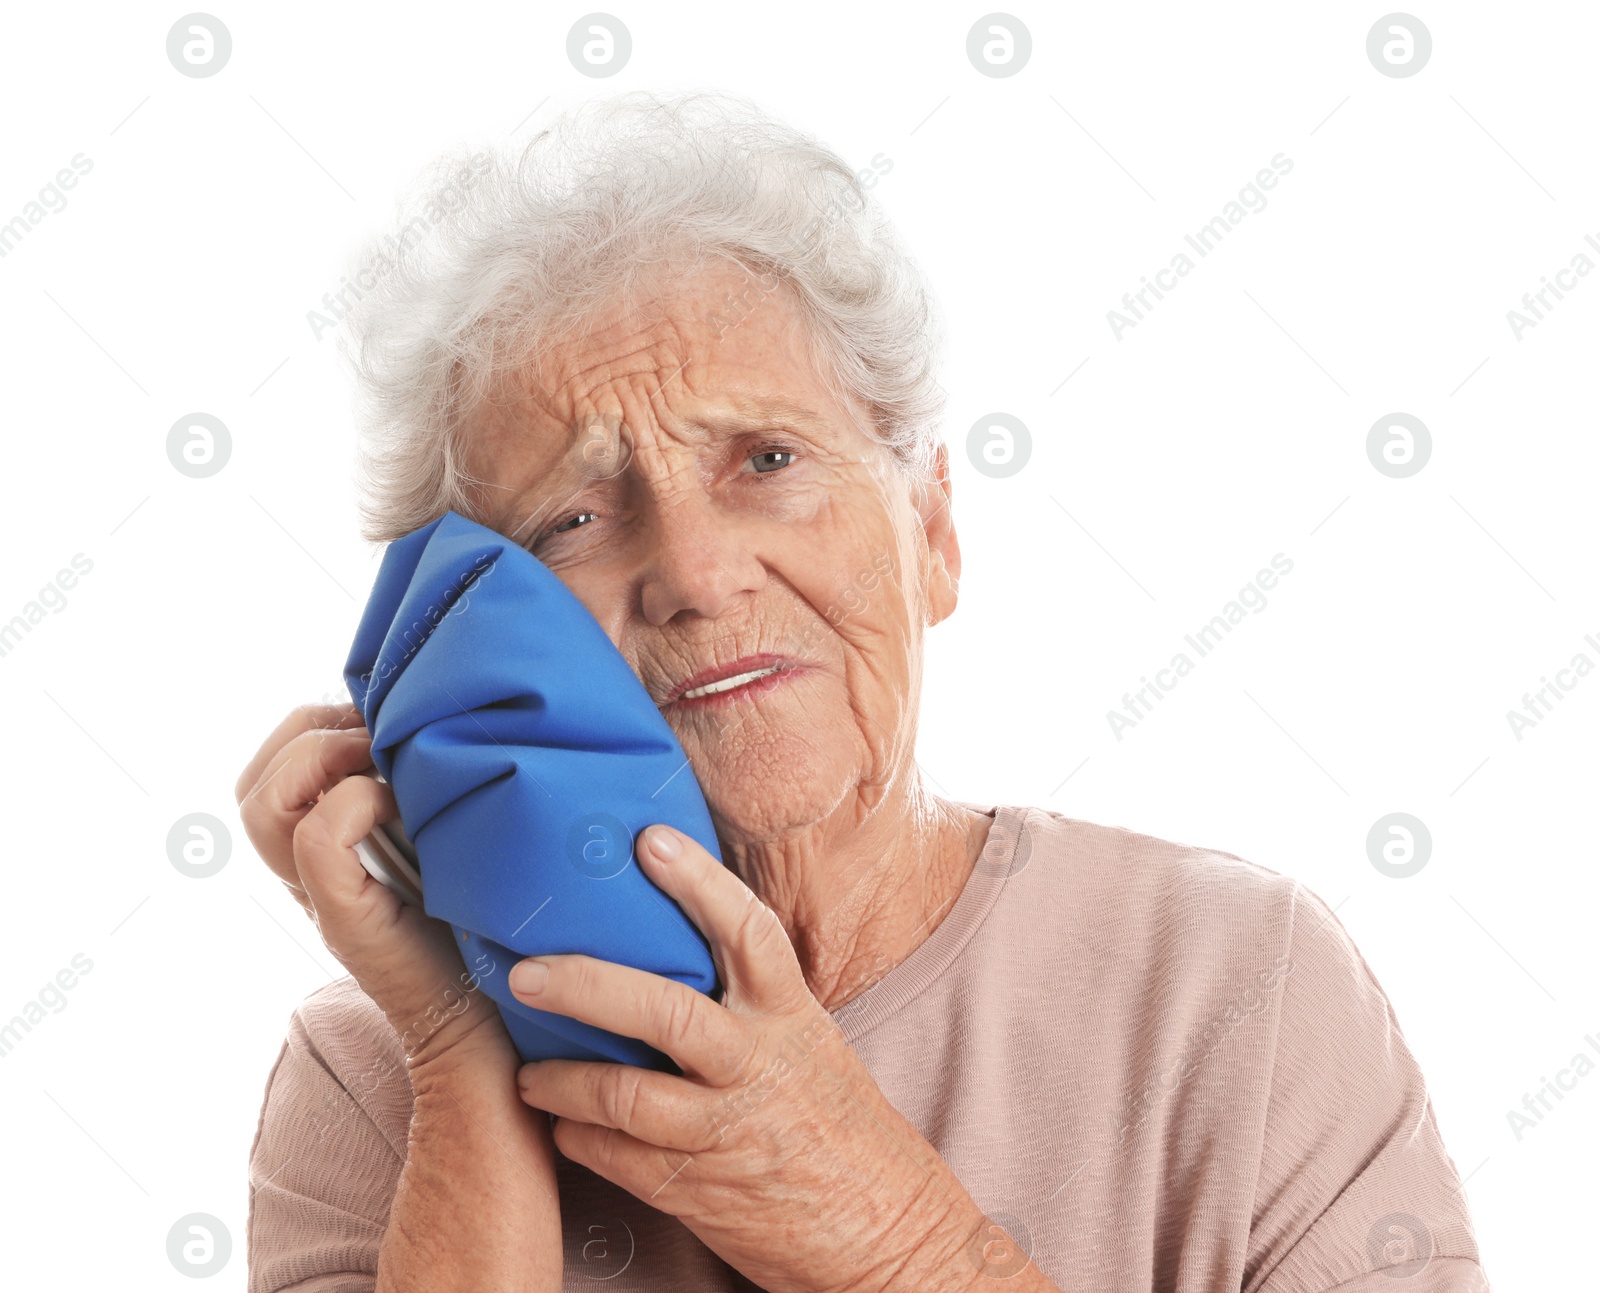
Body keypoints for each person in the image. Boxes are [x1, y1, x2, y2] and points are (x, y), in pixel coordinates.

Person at [235, 90, 1489, 1292]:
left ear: (932, 528)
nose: (696, 571)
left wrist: (886, 1236)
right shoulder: (368, 1075)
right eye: (571, 518)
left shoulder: (1238, 986)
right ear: (453, 636)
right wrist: (460, 1058)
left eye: (767, 458)